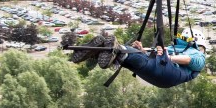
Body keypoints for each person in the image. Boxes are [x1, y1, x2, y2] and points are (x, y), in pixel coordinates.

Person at [70, 30, 206, 88]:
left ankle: (113, 50)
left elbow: (189, 60)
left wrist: (168, 57)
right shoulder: (175, 48)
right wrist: (141, 49)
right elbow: (154, 54)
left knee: (145, 61)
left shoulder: (198, 55)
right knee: (135, 59)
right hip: (162, 75)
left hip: (169, 72)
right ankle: (108, 52)